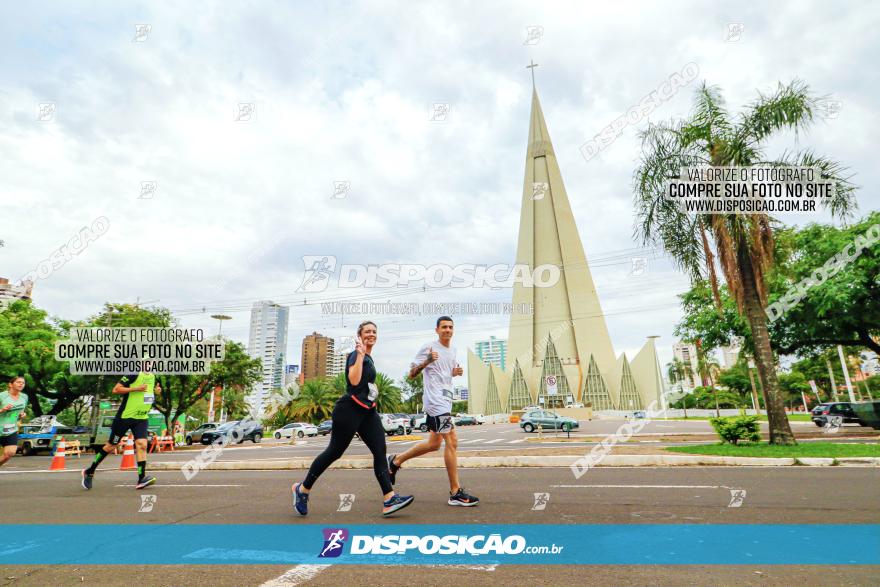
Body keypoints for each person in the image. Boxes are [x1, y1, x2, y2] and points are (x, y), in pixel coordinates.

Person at [292, 320, 414, 517]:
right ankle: (302, 489)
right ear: (360, 335)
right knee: (334, 452)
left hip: (367, 411)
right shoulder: (355, 355)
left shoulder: (369, 358)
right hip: (349, 410)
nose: (371, 334)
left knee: (380, 450)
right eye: (367, 331)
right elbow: (354, 380)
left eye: (374, 331)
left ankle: (389, 498)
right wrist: (359, 354)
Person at [387, 316, 479, 506]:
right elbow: (411, 374)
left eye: (450, 327)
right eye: (444, 327)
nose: (447, 330)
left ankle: (395, 461)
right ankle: (455, 492)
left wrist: (455, 373)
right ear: (436, 330)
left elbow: (445, 373)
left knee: (434, 444)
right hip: (435, 403)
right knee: (452, 440)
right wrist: (427, 361)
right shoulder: (428, 347)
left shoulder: (453, 350)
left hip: (446, 400)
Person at [81, 368, 161, 490]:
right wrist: (135, 388)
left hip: (141, 417)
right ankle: (90, 471)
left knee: (142, 444)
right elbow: (116, 389)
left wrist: (156, 393)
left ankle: (141, 478)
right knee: (111, 446)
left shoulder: (152, 377)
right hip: (125, 417)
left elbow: (147, 398)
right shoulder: (133, 374)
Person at [0, 376, 29, 469]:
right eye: (18, 382)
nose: (21, 384)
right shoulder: (2, 396)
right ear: (10, 384)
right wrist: (2, 410)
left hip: (11, 429)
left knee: (10, 453)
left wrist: (22, 415)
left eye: (23, 383)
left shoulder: (24, 397)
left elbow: (20, 412)